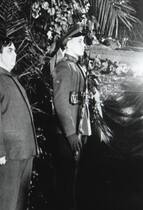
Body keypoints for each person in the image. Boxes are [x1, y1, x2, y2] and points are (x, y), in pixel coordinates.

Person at [0, 38, 37, 210]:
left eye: (14, 50)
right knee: (4, 203)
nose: (15, 54)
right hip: (8, 155)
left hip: (23, 152)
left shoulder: (10, 79)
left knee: (18, 204)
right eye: (9, 50)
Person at [51, 24, 91, 210]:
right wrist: (70, 134)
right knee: (65, 185)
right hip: (67, 136)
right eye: (80, 41)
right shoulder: (64, 68)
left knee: (71, 183)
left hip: (75, 134)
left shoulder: (75, 67)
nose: (84, 45)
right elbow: (60, 104)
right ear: (68, 44)